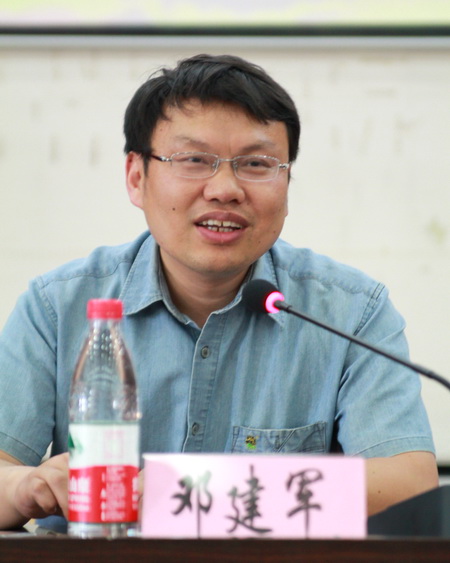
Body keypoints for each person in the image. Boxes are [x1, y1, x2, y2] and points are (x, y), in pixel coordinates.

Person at [0, 53, 438, 530]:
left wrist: (193, 492)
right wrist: (27, 488)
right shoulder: (57, 307)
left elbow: (409, 485)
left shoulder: (351, 313)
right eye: (194, 160)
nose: (225, 189)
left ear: (287, 182)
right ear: (136, 177)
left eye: (256, 164)